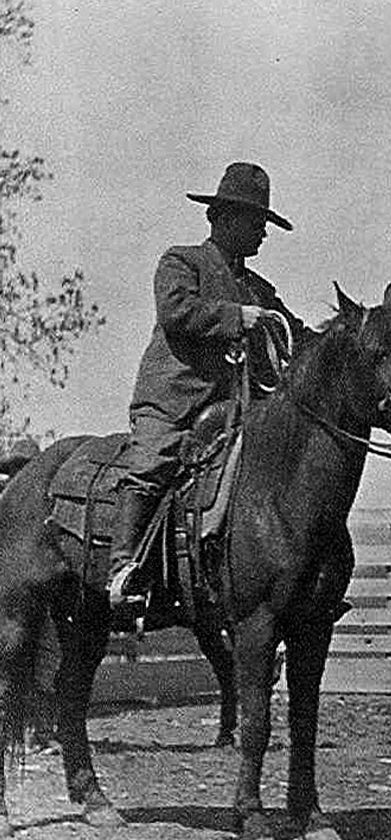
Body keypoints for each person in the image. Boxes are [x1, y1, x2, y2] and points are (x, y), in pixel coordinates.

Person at [108, 162, 306, 609]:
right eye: (257, 222)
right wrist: (237, 318)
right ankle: (123, 569)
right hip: (174, 403)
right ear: (223, 218)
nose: (263, 233)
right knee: (153, 458)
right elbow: (176, 312)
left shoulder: (260, 289)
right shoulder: (181, 262)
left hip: (233, 411)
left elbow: (294, 333)